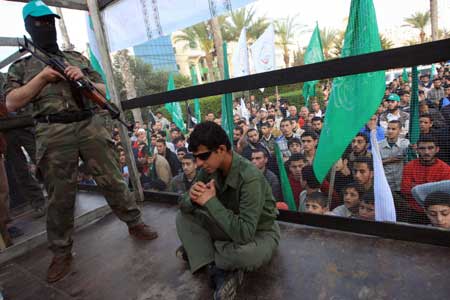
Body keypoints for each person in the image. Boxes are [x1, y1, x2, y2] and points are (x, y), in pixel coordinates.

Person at [4, 1, 157, 283]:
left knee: (112, 180)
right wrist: (42, 78)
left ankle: (135, 223)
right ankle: (61, 253)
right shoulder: (22, 67)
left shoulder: (75, 57)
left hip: (89, 125)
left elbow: (102, 88)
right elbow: (12, 102)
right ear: (28, 26)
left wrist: (81, 77)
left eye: (49, 22)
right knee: (60, 197)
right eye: (39, 23)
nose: (46, 27)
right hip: (53, 133)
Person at [176, 122, 280, 299]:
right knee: (182, 218)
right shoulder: (209, 169)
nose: (199, 164)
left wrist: (210, 201)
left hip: (258, 233)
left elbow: (245, 233)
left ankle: (204, 256)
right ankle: (220, 264)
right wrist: (191, 197)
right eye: (196, 158)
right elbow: (183, 205)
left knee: (247, 255)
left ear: (221, 149)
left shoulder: (250, 177)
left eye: (203, 156)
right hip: (226, 226)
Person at [401, 135, 450, 224]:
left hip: (438, 215)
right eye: (422, 148)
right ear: (417, 150)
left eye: (430, 148)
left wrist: (416, 188)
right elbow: (405, 190)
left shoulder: (446, 169)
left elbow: (444, 196)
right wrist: (434, 188)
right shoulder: (409, 166)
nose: (426, 152)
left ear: (437, 149)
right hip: (415, 213)